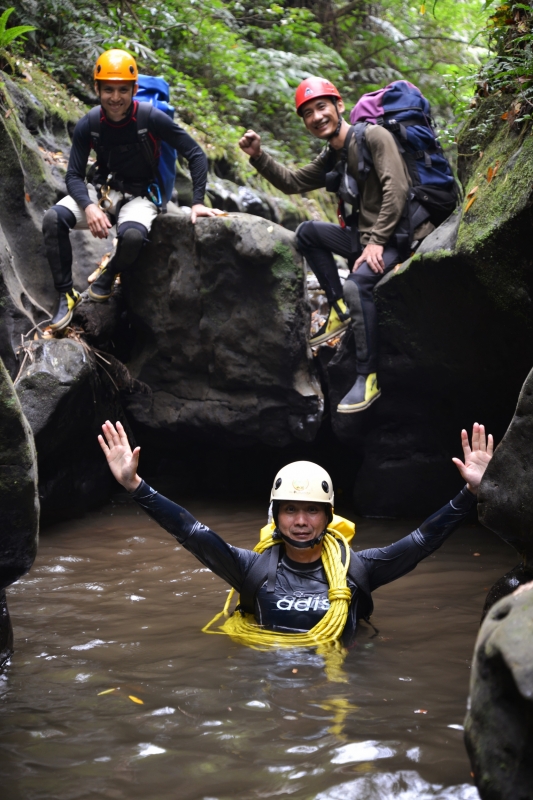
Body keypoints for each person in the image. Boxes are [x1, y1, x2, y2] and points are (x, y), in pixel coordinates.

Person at [98, 420, 493, 646]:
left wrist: (472, 492)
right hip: (268, 685)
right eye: (290, 510)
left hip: (337, 685)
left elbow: (422, 541)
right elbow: (190, 532)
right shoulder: (250, 569)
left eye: (311, 511)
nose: (301, 520)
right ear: (276, 516)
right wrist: (136, 487)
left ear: (328, 517)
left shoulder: (358, 570)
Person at [238, 77, 433, 413]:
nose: (316, 117)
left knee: (358, 286)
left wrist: (376, 242)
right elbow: (293, 182)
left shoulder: (374, 136)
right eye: (308, 113)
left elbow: (397, 189)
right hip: (366, 237)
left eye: (322, 107)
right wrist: (258, 156)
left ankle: (367, 378)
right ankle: (338, 310)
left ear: (339, 106)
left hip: (399, 234)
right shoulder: (332, 155)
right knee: (307, 232)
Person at [42, 49, 221, 332]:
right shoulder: (90, 123)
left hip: (141, 195)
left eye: (123, 90)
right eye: (108, 90)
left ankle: (111, 271)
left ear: (134, 89)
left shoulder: (151, 118)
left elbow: (195, 153)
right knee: (53, 218)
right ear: (97, 88)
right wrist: (88, 207)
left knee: (134, 236)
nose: (115, 98)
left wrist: (197, 202)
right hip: (103, 192)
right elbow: (74, 175)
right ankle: (66, 293)